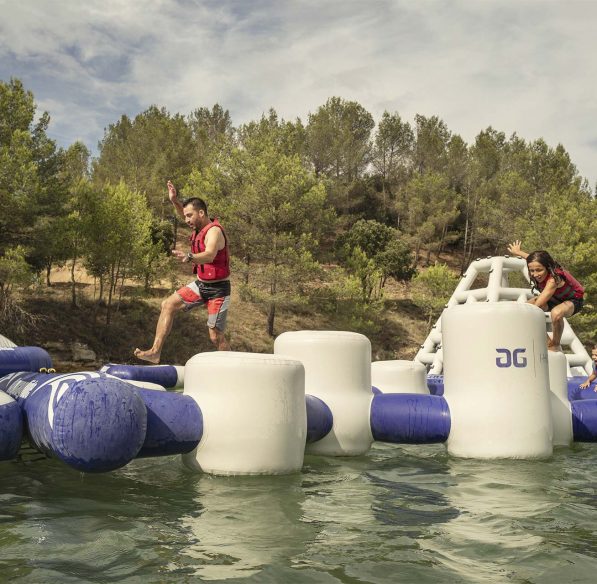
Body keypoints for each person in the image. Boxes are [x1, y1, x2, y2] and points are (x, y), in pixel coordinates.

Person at [134, 180, 231, 363]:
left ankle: (235, 368)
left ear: (201, 213)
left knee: (215, 336)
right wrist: (174, 200)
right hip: (201, 285)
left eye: (189, 216)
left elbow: (210, 255)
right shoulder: (199, 225)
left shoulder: (214, 232)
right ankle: (155, 352)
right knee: (168, 304)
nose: (186, 220)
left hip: (219, 289)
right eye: (185, 216)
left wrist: (190, 257)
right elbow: (183, 212)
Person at [507, 240, 584, 352]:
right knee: (523, 309)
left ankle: (555, 343)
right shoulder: (538, 264)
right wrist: (518, 252)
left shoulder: (554, 279)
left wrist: (527, 314)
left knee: (555, 313)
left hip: (573, 300)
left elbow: (538, 305)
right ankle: (548, 342)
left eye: (539, 270)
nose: (535, 274)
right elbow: (531, 259)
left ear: (548, 267)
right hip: (554, 299)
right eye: (531, 270)